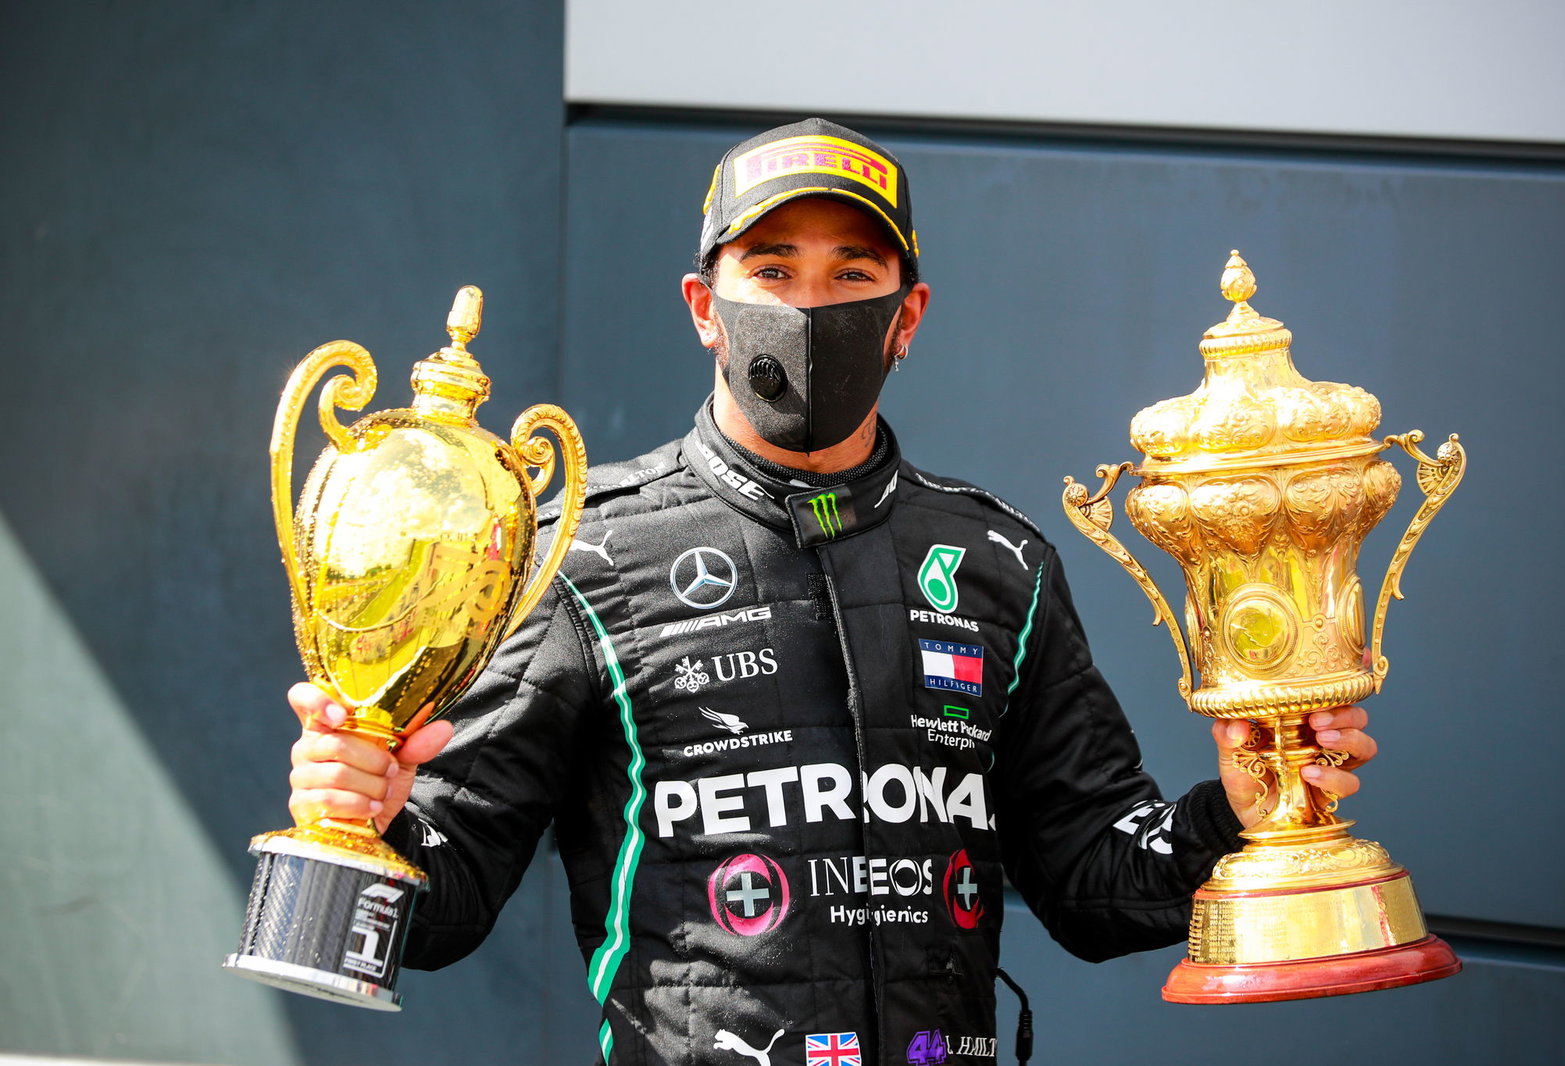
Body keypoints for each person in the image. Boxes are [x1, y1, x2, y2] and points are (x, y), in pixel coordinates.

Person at [286, 118, 1375, 1065]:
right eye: (771, 269)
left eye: (853, 274)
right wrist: (368, 825)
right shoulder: (584, 555)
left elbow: (1095, 881)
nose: (810, 305)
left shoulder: (999, 561)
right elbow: (447, 900)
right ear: (704, 306)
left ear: (908, 314)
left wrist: (1240, 807)